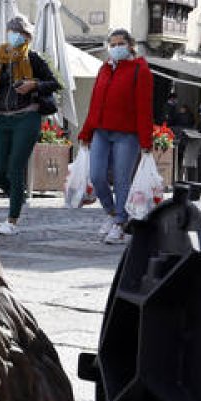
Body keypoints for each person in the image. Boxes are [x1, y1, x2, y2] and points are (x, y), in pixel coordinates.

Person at [0, 15, 60, 236]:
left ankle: (12, 220)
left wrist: (34, 84)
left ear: (27, 37)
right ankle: (19, 197)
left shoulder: (33, 59)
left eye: (19, 32)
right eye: (11, 31)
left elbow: (54, 83)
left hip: (27, 117)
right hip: (2, 119)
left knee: (15, 166)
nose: (14, 35)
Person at [78, 28, 154, 244]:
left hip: (127, 135)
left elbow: (144, 107)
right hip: (101, 132)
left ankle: (120, 223)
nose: (115, 48)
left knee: (122, 180)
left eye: (120, 43)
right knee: (97, 176)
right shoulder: (104, 69)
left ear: (130, 45)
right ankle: (112, 214)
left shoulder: (141, 71)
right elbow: (94, 104)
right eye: (112, 44)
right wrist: (86, 132)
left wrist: (146, 140)